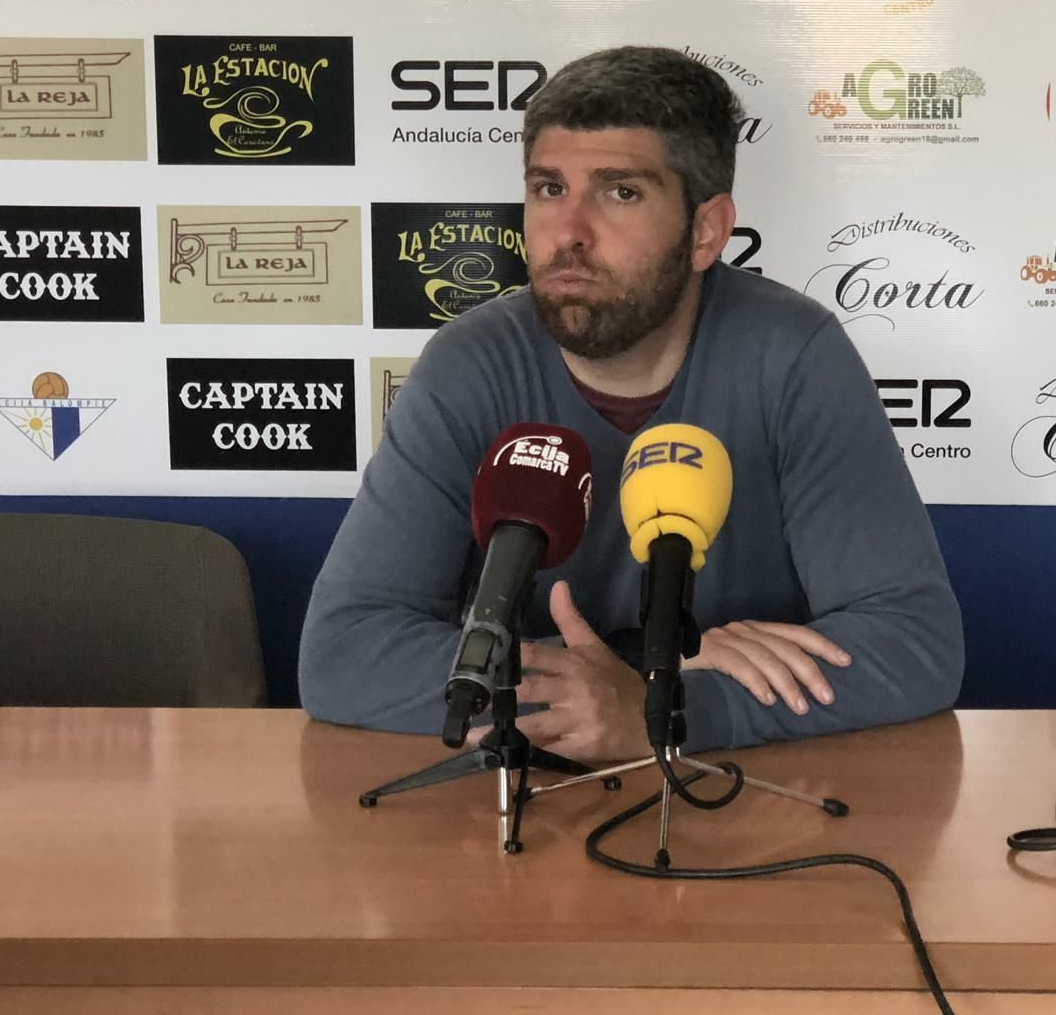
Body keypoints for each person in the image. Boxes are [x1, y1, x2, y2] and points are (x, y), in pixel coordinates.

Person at [299, 46, 964, 762]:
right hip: (534, 805)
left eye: (620, 193)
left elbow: (915, 641)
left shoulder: (792, 356)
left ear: (706, 230)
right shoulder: (471, 365)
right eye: (549, 189)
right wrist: (600, 693)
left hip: (741, 797)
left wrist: (671, 710)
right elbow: (344, 651)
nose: (569, 233)